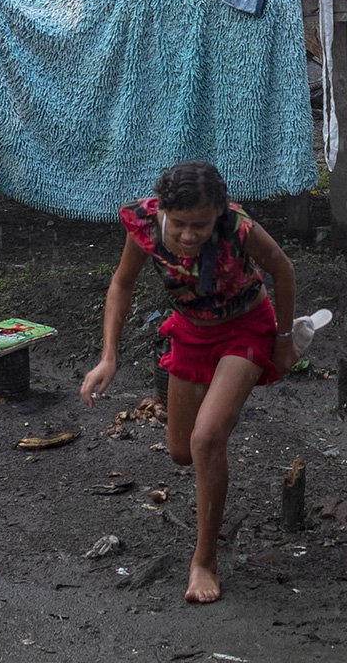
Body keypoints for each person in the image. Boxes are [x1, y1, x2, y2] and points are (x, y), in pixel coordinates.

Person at [82, 161, 298, 605]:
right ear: (162, 209)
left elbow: (284, 269)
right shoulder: (142, 223)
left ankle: (204, 561)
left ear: (218, 211)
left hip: (246, 328)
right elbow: (121, 284)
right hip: (192, 330)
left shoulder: (239, 228)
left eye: (199, 225)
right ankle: (212, 445)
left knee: (205, 440)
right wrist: (109, 357)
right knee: (181, 451)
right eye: (179, 224)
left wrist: (286, 340)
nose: (187, 235)